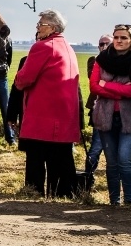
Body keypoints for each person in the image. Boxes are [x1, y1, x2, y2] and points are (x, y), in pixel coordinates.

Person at [14, 10, 81, 198]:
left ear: (52, 27)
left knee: (36, 160)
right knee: (60, 161)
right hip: (64, 116)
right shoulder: (67, 46)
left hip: (43, 115)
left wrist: (18, 77)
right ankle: (61, 195)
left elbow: (23, 79)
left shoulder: (43, 47)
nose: (37, 28)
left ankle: (33, 194)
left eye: (40, 24)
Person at [91, 24, 131, 205]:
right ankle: (114, 201)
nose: (119, 41)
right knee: (112, 162)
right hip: (105, 116)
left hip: (130, 117)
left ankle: (129, 202)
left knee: (124, 160)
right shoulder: (101, 59)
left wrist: (107, 86)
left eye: (124, 38)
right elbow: (94, 87)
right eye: (116, 37)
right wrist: (121, 90)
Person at [84, 33, 112, 190]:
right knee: (95, 148)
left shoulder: (122, 61)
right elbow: (95, 81)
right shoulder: (93, 61)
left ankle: (113, 183)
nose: (104, 47)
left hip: (118, 111)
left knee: (113, 153)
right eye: (101, 44)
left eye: (107, 44)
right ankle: (87, 179)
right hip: (98, 109)